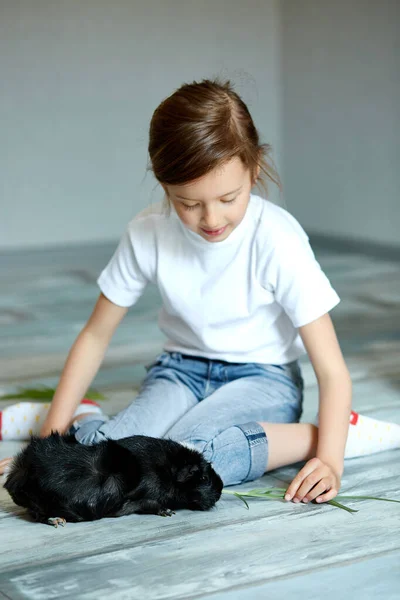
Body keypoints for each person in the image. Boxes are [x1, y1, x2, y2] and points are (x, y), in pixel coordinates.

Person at [1, 79, 400, 505]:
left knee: (188, 461)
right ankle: (78, 416)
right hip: (181, 370)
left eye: (229, 197)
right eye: (188, 203)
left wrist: (330, 457)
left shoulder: (278, 239)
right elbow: (96, 335)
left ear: (255, 167)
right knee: (108, 459)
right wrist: (48, 444)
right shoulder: (147, 232)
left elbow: (332, 369)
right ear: (163, 183)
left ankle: (331, 434)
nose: (211, 218)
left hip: (262, 379)